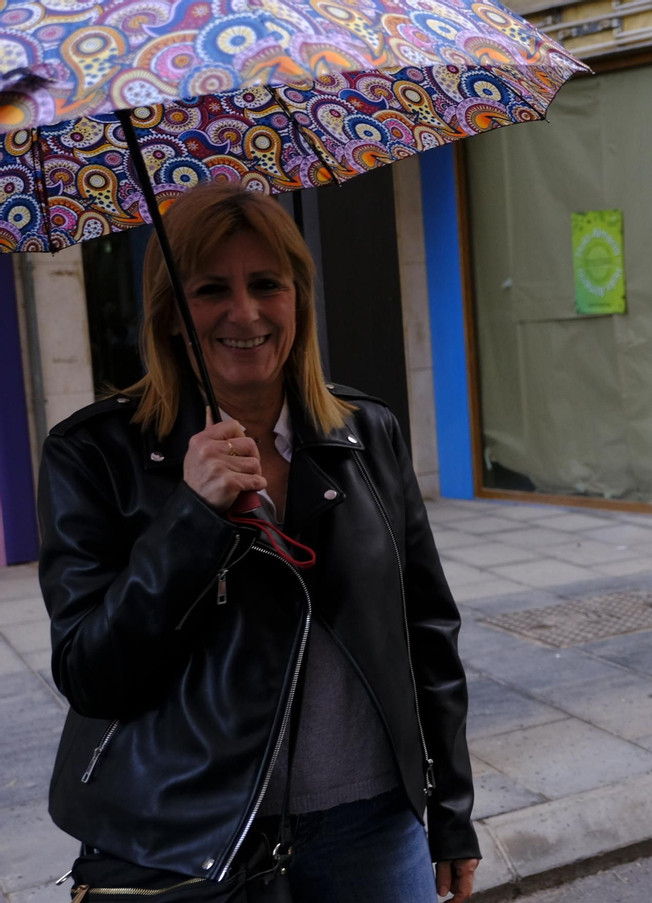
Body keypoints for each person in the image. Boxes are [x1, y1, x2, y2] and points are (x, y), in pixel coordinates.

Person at [36, 184, 479, 901]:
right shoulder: (92, 454)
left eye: (266, 284)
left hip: (372, 826)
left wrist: (451, 810)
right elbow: (92, 674)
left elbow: (425, 630)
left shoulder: (367, 434)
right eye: (211, 289)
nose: (244, 312)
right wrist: (192, 516)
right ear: (173, 314)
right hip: (190, 840)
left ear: (298, 299)